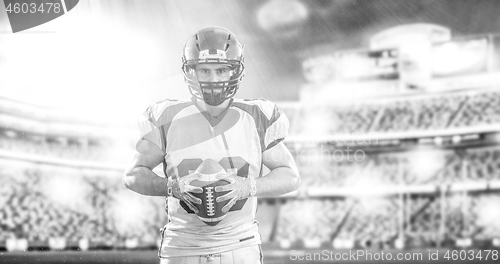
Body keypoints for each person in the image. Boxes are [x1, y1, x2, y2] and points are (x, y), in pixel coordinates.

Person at [123, 26, 300, 264]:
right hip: (182, 246)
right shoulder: (166, 117)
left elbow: (290, 176)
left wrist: (249, 187)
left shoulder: (257, 117)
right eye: (204, 70)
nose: (213, 79)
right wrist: (171, 186)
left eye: (221, 70)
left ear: (235, 71)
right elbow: (133, 175)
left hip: (240, 245)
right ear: (190, 72)